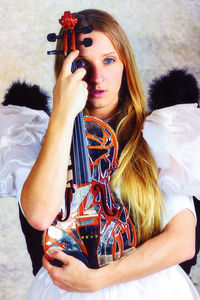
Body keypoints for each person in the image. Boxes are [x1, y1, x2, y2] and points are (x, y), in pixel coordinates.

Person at [0, 8, 200, 300]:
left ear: (125, 66)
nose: (96, 77)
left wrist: (97, 280)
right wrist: (63, 115)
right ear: (66, 68)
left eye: (109, 60)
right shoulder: (37, 137)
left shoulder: (157, 133)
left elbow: (182, 241)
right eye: (82, 63)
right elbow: (41, 216)